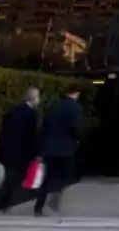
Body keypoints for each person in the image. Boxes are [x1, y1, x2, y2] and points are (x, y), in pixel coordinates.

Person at [34, 88, 84, 216]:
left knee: (47, 177)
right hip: (66, 147)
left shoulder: (53, 106)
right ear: (74, 93)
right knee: (64, 176)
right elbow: (75, 127)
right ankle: (55, 201)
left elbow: (44, 127)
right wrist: (78, 140)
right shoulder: (76, 108)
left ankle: (39, 206)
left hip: (49, 147)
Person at [0, 87, 41, 213]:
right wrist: (36, 153)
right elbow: (32, 135)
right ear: (34, 98)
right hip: (22, 151)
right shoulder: (32, 115)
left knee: (9, 175)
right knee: (16, 177)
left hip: (7, 149)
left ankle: (4, 201)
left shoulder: (12, 112)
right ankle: (4, 202)